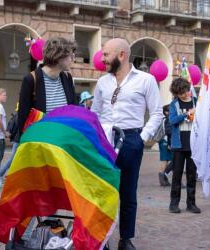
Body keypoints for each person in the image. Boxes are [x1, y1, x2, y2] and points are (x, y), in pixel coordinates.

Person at [91, 38, 163, 250]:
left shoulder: (146, 80)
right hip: (104, 140)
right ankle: (102, 238)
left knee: (128, 192)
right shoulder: (103, 82)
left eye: (106, 55)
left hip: (131, 139)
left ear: (121, 55)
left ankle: (125, 239)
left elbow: (157, 113)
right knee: (103, 191)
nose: (102, 59)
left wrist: (141, 138)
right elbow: (95, 112)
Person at [17, 37, 78, 133]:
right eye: (70, 55)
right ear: (59, 56)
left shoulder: (67, 78)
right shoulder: (31, 79)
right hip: (41, 140)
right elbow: (22, 118)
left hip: (64, 139)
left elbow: (75, 109)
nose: (72, 59)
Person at [167, 78, 200, 214]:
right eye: (180, 93)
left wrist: (195, 114)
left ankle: (191, 204)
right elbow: (172, 120)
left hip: (193, 143)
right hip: (178, 145)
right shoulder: (174, 104)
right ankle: (174, 204)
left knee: (192, 175)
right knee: (177, 175)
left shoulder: (195, 102)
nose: (184, 94)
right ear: (176, 93)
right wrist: (186, 114)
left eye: (185, 91)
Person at [0, 102, 20, 179]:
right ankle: (0, 174)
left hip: (17, 140)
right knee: (12, 159)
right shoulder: (20, 116)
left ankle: (10, 175)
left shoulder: (16, 115)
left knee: (16, 159)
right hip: (18, 140)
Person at [158, 104, 172, 187]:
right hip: (166, 141)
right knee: (167, 159)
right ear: (166, 112)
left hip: (163, 141)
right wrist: (170, 144)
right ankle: (163, 177)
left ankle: (164, 179)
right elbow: (169, 131)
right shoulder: (168, 119)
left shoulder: (164, 119)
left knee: (166, 160)